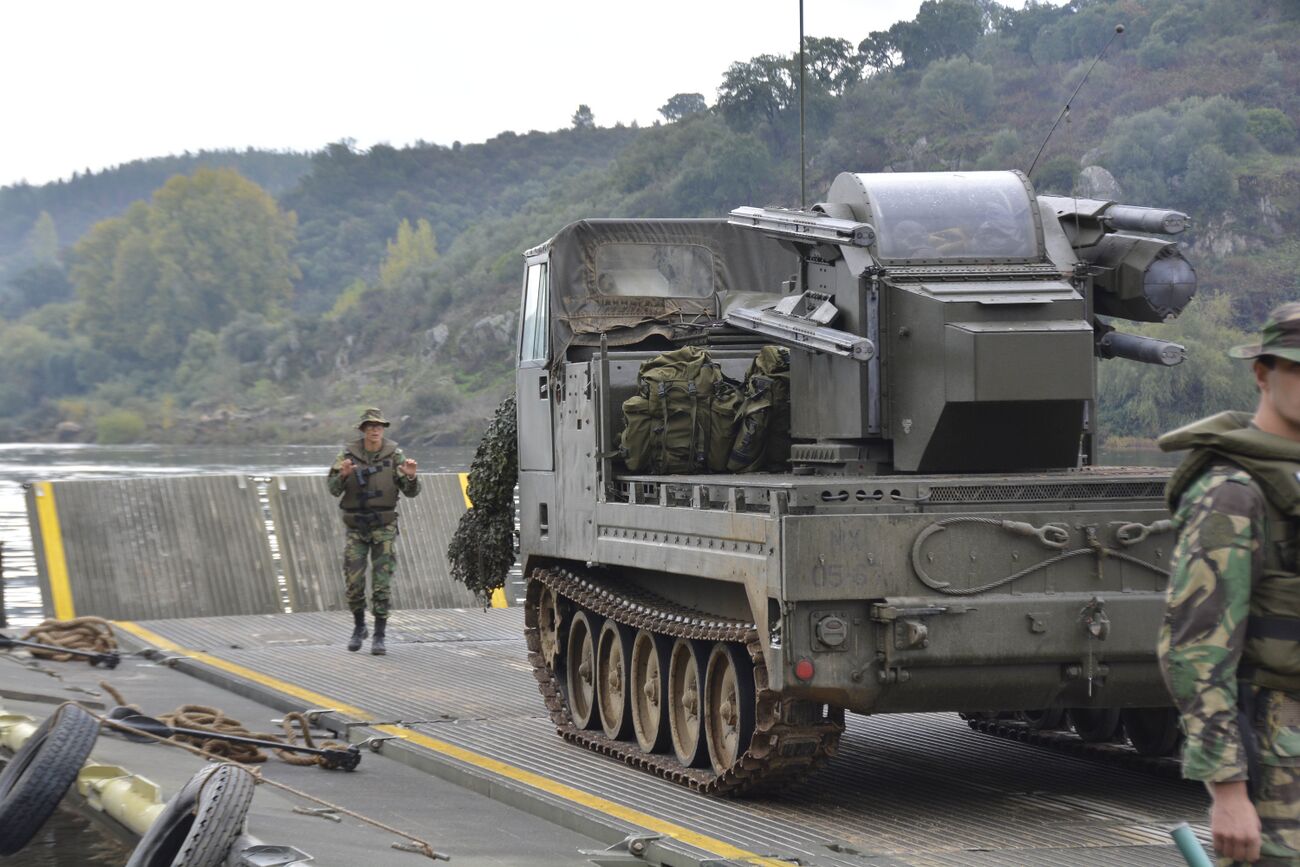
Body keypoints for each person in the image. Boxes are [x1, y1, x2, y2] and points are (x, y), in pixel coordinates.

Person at [1158, 301, 1300, 865]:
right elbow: (1196, 648)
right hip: (1281, 761)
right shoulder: (1233, 493)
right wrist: (1229, 792)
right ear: (1263, 374)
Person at [327, 408, 420, 655]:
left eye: (378, 426)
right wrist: (343, 476)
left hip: (383, 527)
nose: (375, 430)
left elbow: (411, 492)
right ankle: (359, 627)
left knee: (382, 584)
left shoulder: (395, 456)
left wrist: (411, 478)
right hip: (356, 527)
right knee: (353, 583)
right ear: (363, 430)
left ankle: (379, 635)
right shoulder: (347, 456)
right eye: (370, 426)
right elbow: (333, 489)